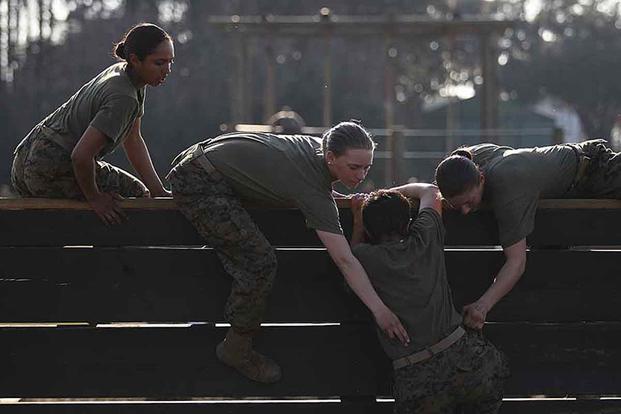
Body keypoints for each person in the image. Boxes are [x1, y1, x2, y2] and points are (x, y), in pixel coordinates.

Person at [167, 121, 410, 384]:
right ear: (330, 157)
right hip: (199, 179)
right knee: (260, 262)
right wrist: (379, 309)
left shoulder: (317, 151)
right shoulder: (312, 188)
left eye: (367, 168)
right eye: (354, 167)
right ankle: (236, 348)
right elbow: (344, 260)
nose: (361, 176)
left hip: (200, 158)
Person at [350, 184, 508, 413]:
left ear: (370, 231)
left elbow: (351, 258)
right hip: (471, 363)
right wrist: (394, 190)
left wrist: (357, 221)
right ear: (407, 224)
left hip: (417, 377)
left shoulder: (364, 259)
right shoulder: (425, 238)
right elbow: (431, 191)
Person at [434, 139, 621, 329]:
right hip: (570, 181)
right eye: (457, 206)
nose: (465, 211)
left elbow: (516, 262)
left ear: (481, 178)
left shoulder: (506, 183)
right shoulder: (464, 162)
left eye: (469, 202)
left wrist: (482, 307)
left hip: (595, 170)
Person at [10, 23, 174, 225]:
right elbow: (80, 156)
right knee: (135, 196)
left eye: (170, 62)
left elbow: (133, 140)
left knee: (51, 234)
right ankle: (110, 257)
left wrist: (158, 191)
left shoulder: (126, 74)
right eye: (159, 63)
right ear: (135, 60)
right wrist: (95, 198)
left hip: (23, 160)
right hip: (50, 166)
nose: (167, 70)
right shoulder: (124, 97)